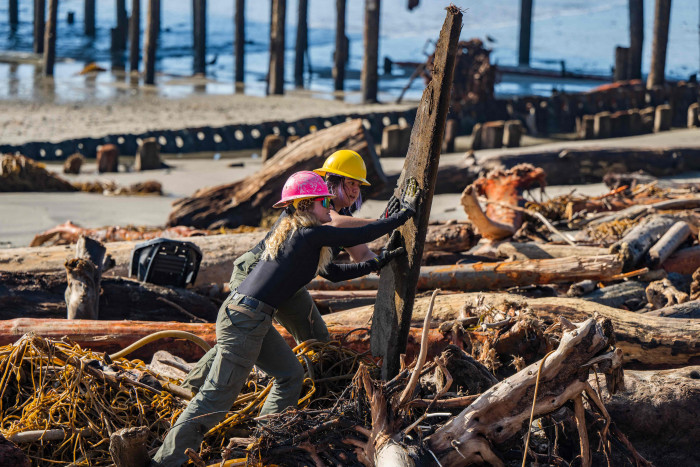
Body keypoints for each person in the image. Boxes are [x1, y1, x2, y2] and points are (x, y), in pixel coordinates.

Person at [152, 171, 420, 466]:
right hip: (244, 319)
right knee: (215, 399)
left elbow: (333, 273)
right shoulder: (308, 233)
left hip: (253, 318)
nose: (329, 207)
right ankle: (165, 461)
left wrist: (378, 261)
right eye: (323, 202)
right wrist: (404, 214)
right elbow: (357, 234)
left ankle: (259, 445)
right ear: (306, 205)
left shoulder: (304, 236)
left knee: (291, 376)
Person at [179, 150, 399, 394]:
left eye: (358, 185)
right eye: (350, 183)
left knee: (317, 337)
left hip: (291, 283)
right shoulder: (316, 206)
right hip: (254, 271)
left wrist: (384, 263)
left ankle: (319, 390)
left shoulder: (342, 217)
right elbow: (337, 225)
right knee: (239, 339)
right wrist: (385, 221)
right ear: (331, 182)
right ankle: (191, 387)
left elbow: (362, 254)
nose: (355, 190)